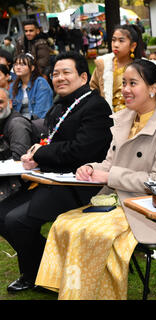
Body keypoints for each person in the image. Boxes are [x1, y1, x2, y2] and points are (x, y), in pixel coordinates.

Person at [35, 59, 156, 300]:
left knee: (92, 232)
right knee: (64, 223)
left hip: (148, 206)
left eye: (133, 83)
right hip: (115, 200)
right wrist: (89, 167)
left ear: (153, 88)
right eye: (124, 83)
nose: (125, 89)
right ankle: (76, 291)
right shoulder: (123, 119)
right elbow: (108, 163)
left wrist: (109, 175)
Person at [0, 51, 113, 293]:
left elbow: (82, 150)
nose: (59, 78)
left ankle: (42, 274)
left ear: (83, 77)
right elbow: (49, 141)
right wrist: (35, 156)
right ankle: (41, 271)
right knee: (1, 214)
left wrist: (40, 154)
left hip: (81, 185)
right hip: (51, 179)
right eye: (55, 74)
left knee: (15, 220)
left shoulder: (95, 106)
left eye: (66, 73)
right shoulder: (61, 104)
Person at [90, 24, 144, 113]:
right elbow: (93, 88)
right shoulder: (103, 65)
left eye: (121, 41)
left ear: (133, 46)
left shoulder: (142, 67)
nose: (115, 45)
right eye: (113, 40)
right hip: (107, 117)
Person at [0, 88, 33, 202]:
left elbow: (18, 161)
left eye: (0, 102)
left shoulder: (17, 124)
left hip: (20, 183)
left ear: (10, 103)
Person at [9, 53, 53, 119]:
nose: (18, 67)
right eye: (16, 64)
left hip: (36, 123)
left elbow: (41, 113)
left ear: (32, 68)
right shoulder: (14, 85)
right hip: (17, 123)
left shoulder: (40, 83)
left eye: (22, 64)